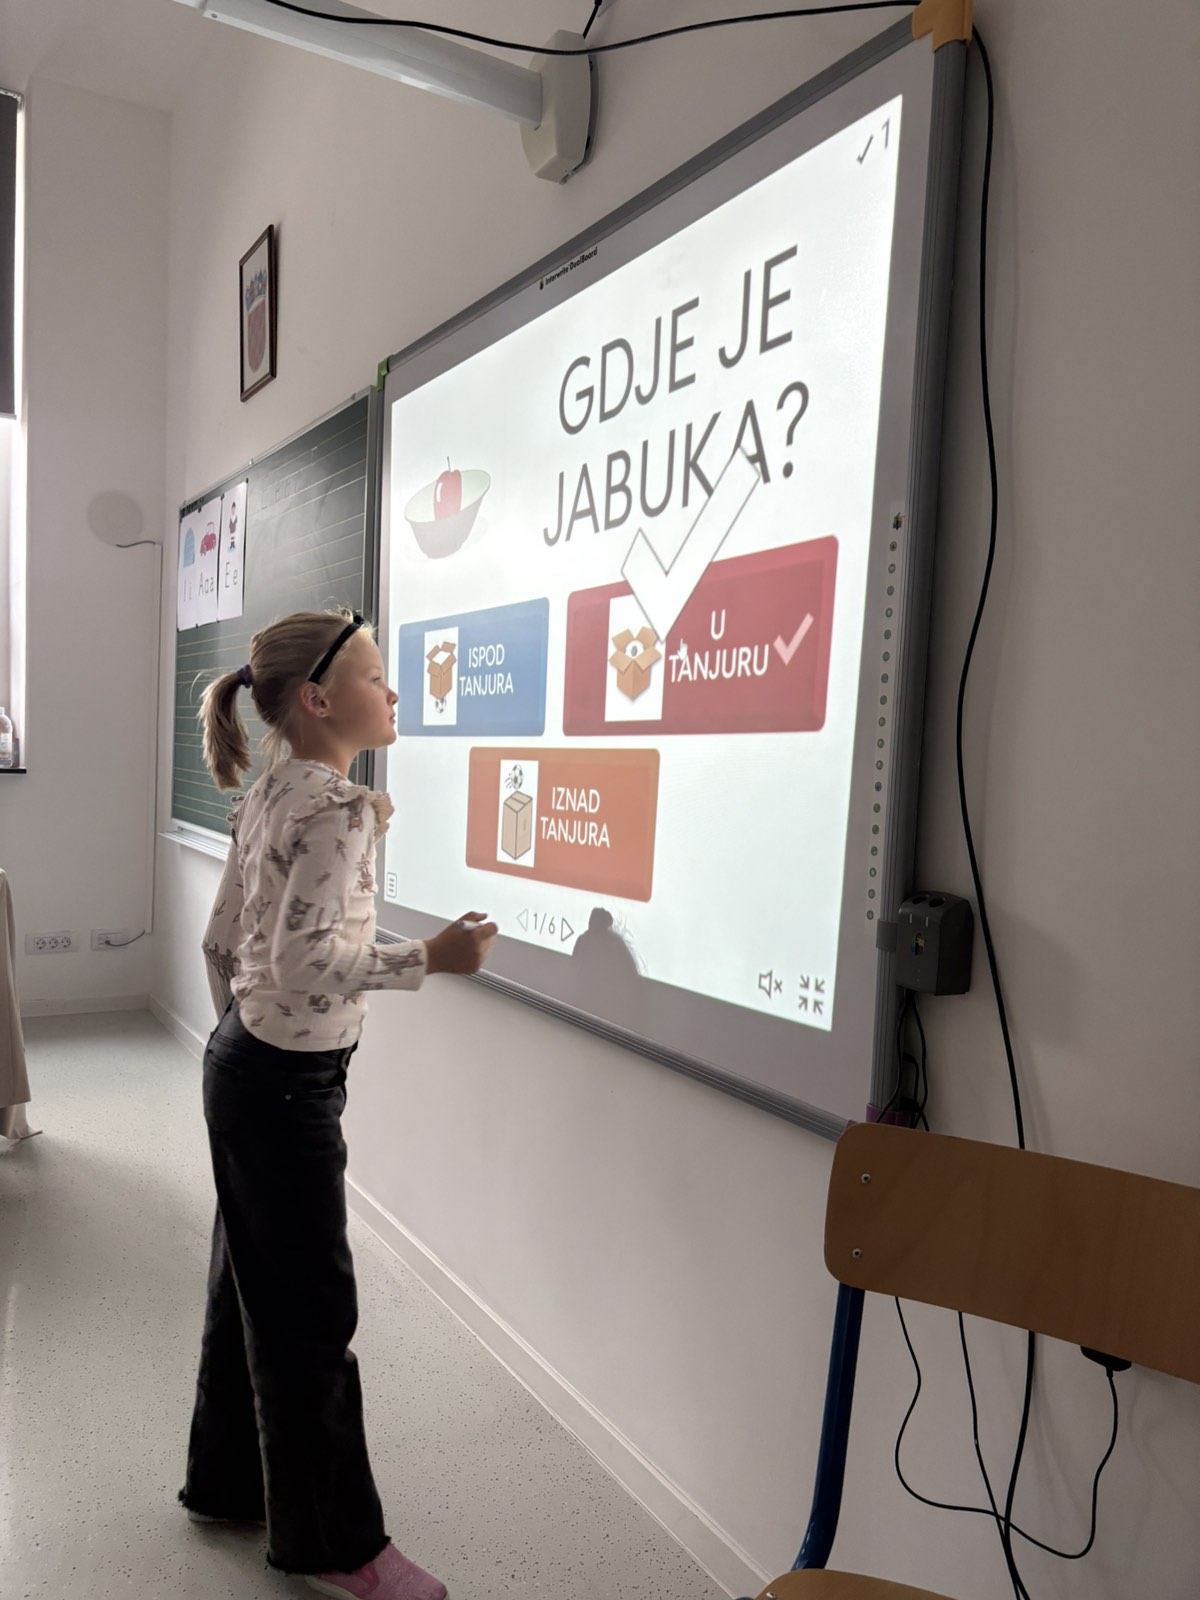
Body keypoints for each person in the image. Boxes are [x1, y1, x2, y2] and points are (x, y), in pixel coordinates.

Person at [180, 609, 495, 1600]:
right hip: (280, 1082)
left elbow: (222, 941)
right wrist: (431, 957)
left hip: (244, 1065)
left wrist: (242, 1041)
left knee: (250, 1287)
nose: (393, 692)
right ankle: (336, 1547)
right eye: (373, 676)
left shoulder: (271, 789)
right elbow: (306, 960)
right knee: (311, 1312)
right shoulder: (340, 808)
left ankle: (229, 1485)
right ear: (318, 700)